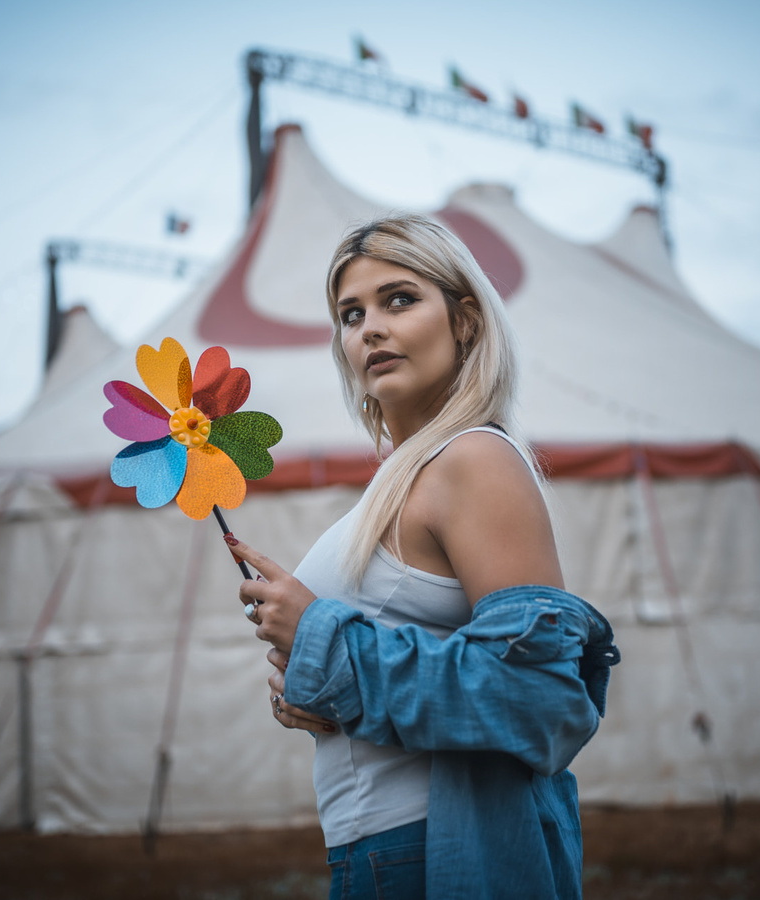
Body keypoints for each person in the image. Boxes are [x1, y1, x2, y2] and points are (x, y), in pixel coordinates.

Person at [227, 214, 618, 900]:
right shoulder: (400, 479)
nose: (370, 328)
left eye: (399, 299)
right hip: (374, 853)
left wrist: (323, 640)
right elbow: (392, 670)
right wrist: (317, 691)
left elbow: (538, 698)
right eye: (351, 314)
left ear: (465, 320)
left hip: (432, 850)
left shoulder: (475, 460)